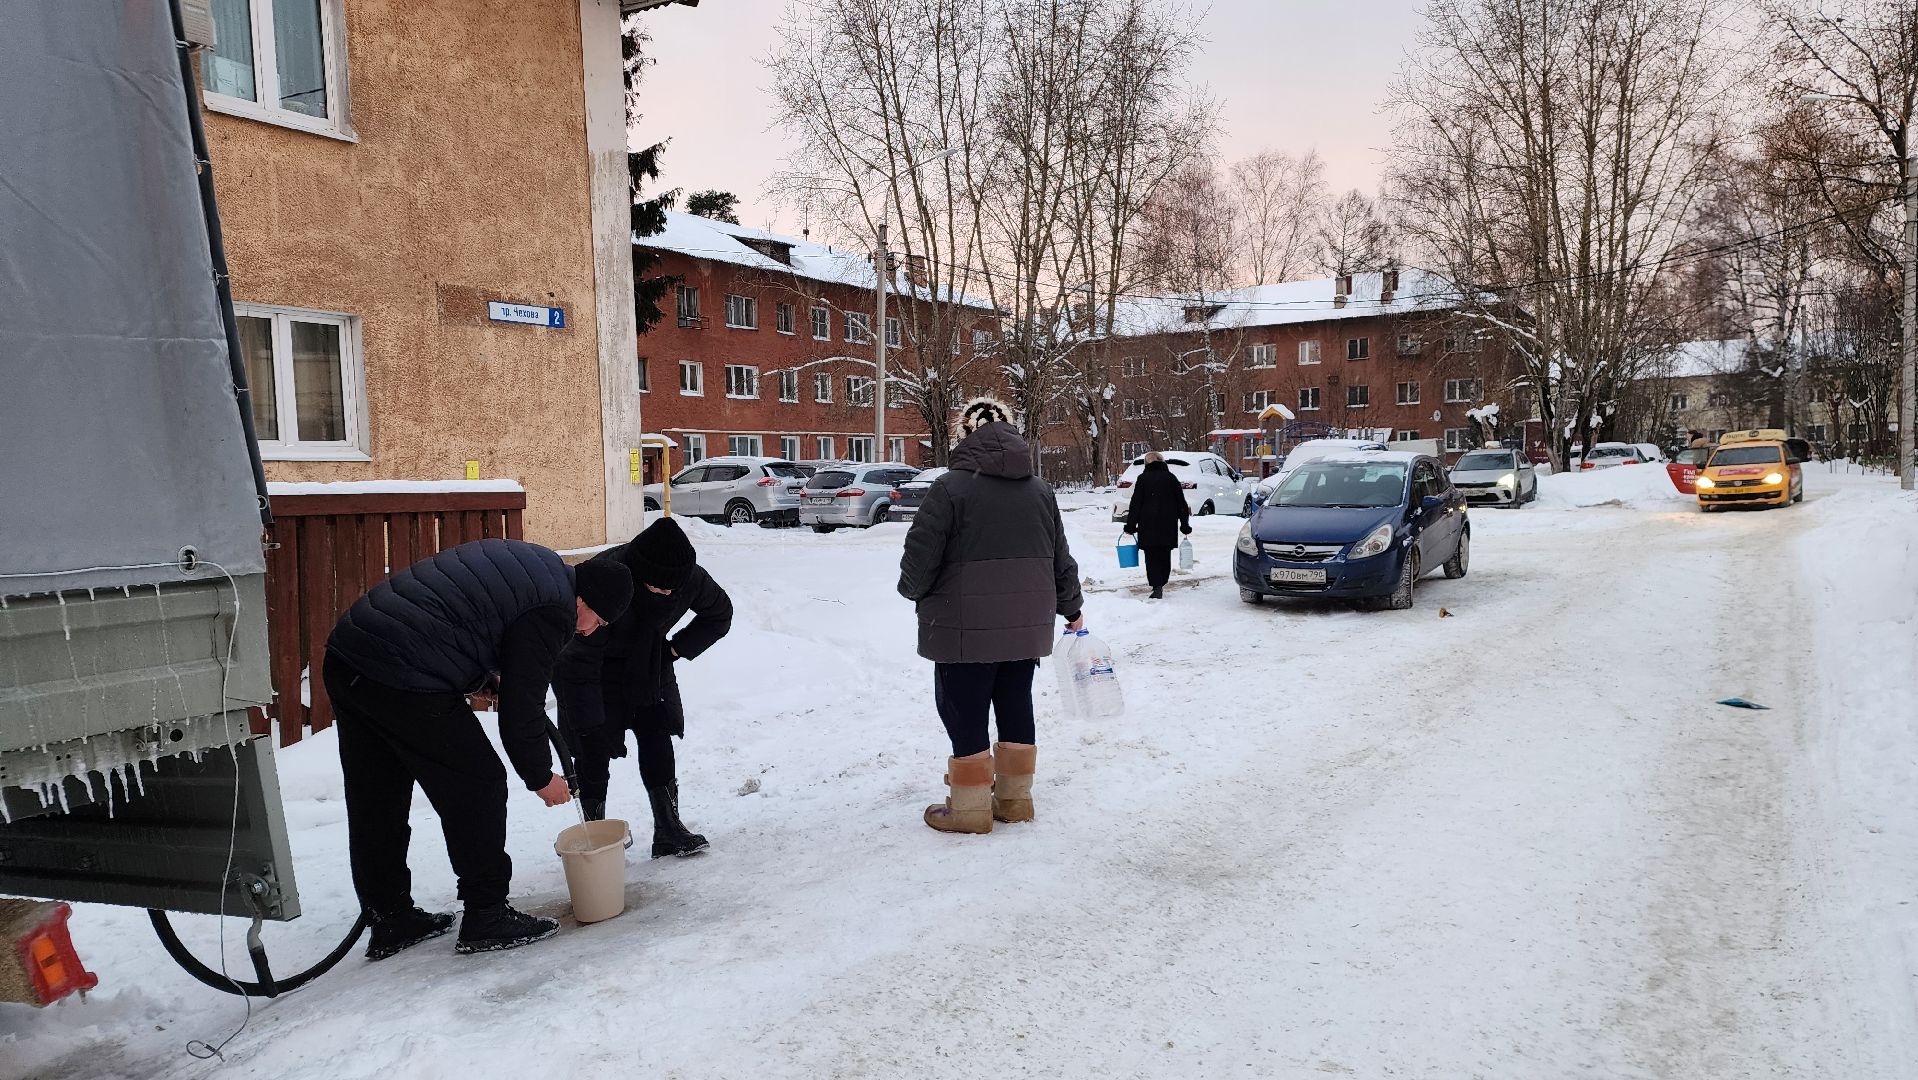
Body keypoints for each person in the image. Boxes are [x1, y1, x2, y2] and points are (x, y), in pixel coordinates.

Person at [324, 538, 633, 959]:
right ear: (585, 600)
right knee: (479, 783)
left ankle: (390, 916)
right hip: (401, 669)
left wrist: (482, 678)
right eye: (596, 619)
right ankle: (486, 913)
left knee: (378, 796)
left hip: (352, 654)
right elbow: (523, 712)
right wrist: (542, 778)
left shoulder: (543, 566)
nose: (588, 630)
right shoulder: (554, 611)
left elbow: (467, 619)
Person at [898, 398, 1083, 835]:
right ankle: (1016, 800)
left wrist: (912, 591)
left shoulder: (949, 489)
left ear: (963, 437)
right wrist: (1071, 606)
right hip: (1025, 626)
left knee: (963, 709)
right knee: (1016, 703)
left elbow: (920, 558)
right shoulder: (1040, 490)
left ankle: (969, 808)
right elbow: (1060, 558)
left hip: (962, 627)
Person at [554, 517, 731, 858]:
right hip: (591, 666)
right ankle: (595, 841)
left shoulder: (686, 576)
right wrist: (585, 719)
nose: (666, 593)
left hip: (648, 666)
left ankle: (668, 828)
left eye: (672, 590)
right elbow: (574, 656)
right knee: (591, 747)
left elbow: (720, 613)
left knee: (657, 735)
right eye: (657, 588)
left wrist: (674, 650)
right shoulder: (605, 576)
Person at [1122, 451, 1192, 599]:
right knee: (1164, 553)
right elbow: (1182, 504)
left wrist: (1130, 525)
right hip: (1168, 524)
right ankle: (1162, 581)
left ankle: (1156, 585)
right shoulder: (1171, 478)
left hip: (1147, 524)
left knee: (1151, 555)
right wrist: (1184, 524)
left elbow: (1135, 504)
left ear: (1147, 464)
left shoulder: (1142, 479)